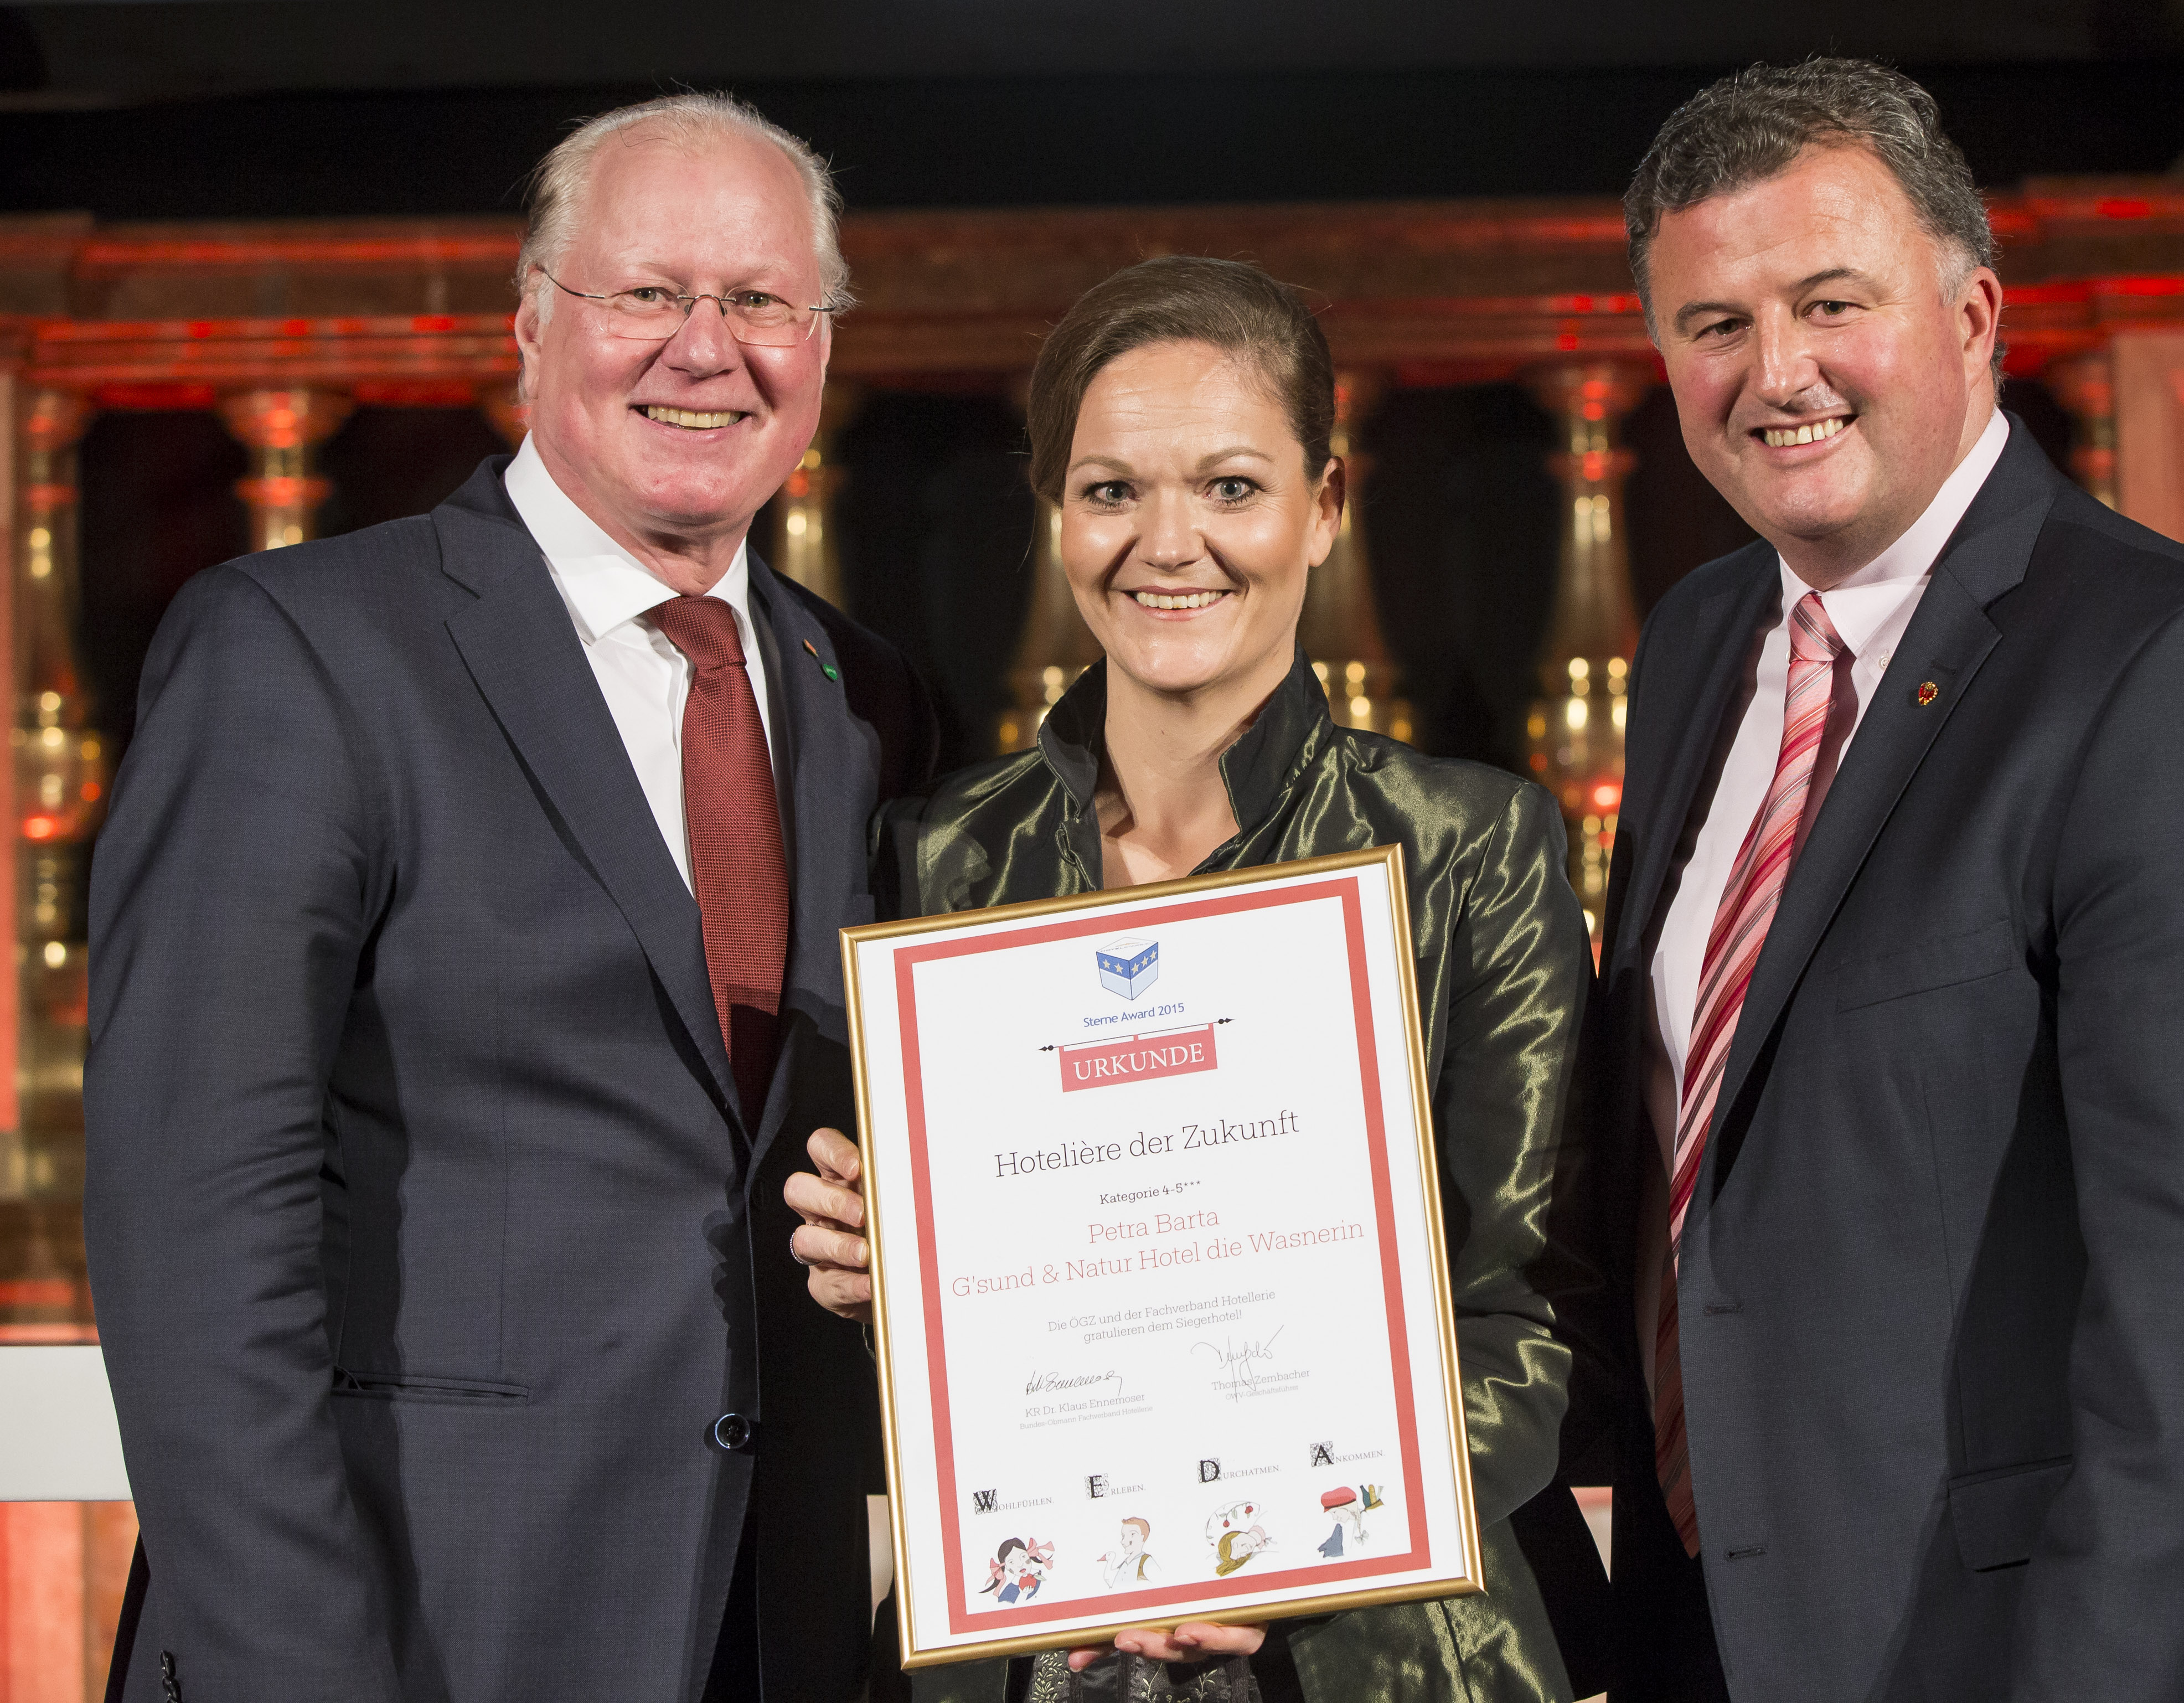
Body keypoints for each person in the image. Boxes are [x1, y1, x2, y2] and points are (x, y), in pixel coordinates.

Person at [85, 92, 933, 1702]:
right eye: (648, 292)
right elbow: (194, 1237)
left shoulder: (865, 696)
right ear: (534, 322)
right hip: (418, 1637)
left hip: (778, 1638)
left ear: (822, 347)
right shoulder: (302, 651)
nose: (708, 349)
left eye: (762, 300)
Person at [1582, 59, 2184, 1700]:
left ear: (1973, 317)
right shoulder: (1696, 648)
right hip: (1722, 1640)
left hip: (2033, 1655)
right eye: (1714, 325)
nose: (1774, 373)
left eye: (1830, 304)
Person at [785, 255, 1601, 1703]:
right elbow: (940, 1374)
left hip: (1374, 1649)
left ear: (1323, 505)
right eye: (1112, 491)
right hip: (1030, 1645)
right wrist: (879, 1288)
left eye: (1230, 486)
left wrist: (1290, 1549)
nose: (1169, 545)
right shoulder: (937, 856)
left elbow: (1521, 1319)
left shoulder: (1466, 844)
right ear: (1056, 513)